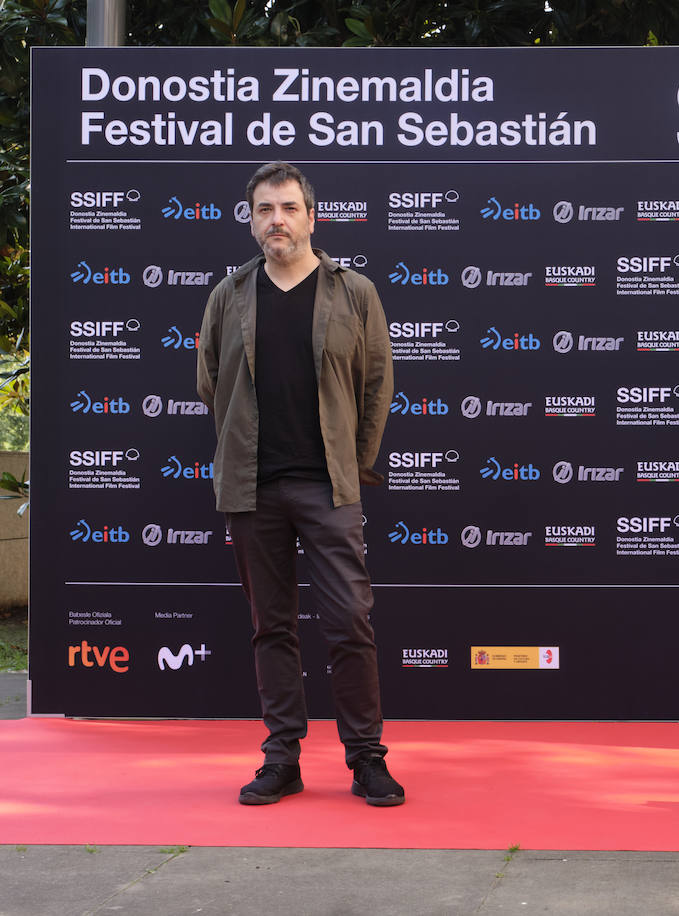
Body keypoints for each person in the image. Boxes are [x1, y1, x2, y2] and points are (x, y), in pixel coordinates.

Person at [197, 161, 404, 806]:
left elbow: (377, 386)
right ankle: (282, 757)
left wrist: (352, 463)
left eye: (288, 207)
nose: (276, 220)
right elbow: (210, 383)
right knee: (273, 627)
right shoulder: (228, 296)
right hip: (253, 489)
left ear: (311, 217)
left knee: (349, 621)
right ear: (251, 220)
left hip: (328, 487)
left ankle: (367, 758)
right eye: (264, 209)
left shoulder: (353, 293)